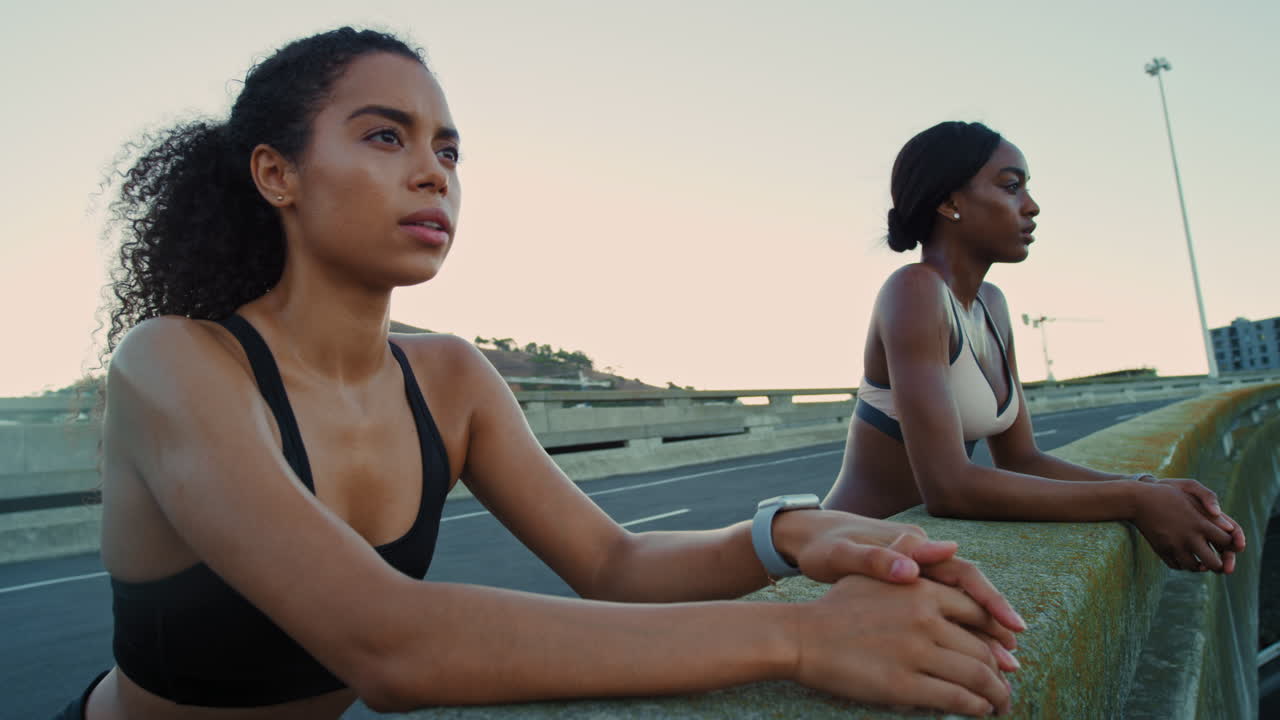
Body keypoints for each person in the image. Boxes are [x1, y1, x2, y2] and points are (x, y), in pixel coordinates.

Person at [62, 29, 1024, 720]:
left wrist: (785, 536)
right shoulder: (175, 362)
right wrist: (805, 639)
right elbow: (389, 644)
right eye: (385, 137)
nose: (435, 173)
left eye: (448, 149)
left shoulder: (449, 379)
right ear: (278, 175)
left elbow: (613, 563)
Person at [821, 121, 1246, 576]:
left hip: (901, 557)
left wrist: (1150, 487)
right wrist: (1135, 500)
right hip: (840, 554)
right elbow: (949, 487)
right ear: (949, 202)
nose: (1032, 206)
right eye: (1011, 187)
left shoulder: (992, 305)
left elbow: (1023, 459)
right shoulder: (914, 291)